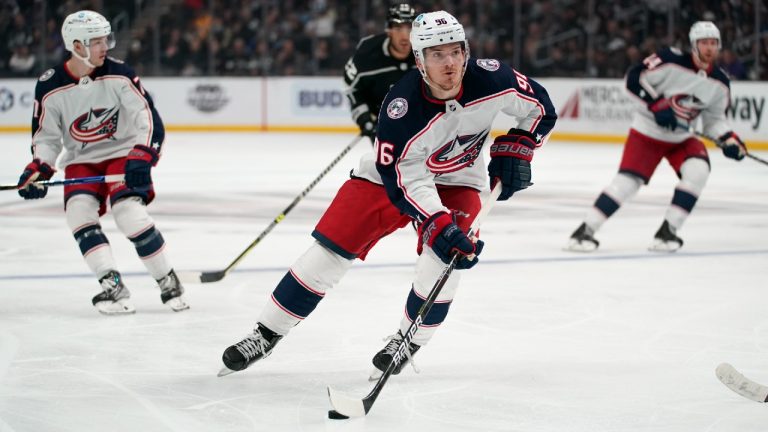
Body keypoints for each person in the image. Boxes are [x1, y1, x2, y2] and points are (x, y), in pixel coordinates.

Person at [219, 10, 556, 377]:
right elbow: (406, 179)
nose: (450, 63)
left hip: (460, 181)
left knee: (447, 258)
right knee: (331, 248)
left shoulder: (494, 79)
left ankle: (407, 341)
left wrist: (521, 144)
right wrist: (436, 221)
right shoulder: (402, 109)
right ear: (419, 60)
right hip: (389, 179)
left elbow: (541, 108)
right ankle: (266, 333)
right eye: (437, 54)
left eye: (456, 51)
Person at [16, 10, 189, 314]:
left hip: (122, 154)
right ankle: (111, 285)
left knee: (128, 213)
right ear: (77, 46)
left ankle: (167, 280)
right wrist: (38, 169)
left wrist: (142, 156)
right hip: (82, 160)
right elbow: (46, 138)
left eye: (105, 39)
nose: (106, 46)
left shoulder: (119, 74)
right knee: (78, 213)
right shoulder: (50, 86)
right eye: (97, 41)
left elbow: (147, 119)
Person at [566, 21, 747, 253]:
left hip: (681, 138)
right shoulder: (670, 60)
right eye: (704, 43)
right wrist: (656, 104)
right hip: (647, 133)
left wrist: (730, 141)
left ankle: (667, 232)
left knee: (698, 171)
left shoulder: (720, 82)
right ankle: (584, 231)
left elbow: (714, 121)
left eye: (714, 43)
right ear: (693, 44)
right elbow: (634, 78)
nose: (709, 48)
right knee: (627, 184)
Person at [343, 2, 417, 144]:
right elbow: (352, 88)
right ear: (388, 30)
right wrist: (364, 118)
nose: (405, 35)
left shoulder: (427, 53)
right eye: (398, 28)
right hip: (382, 125)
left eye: (410, 28)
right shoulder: (367, 53)